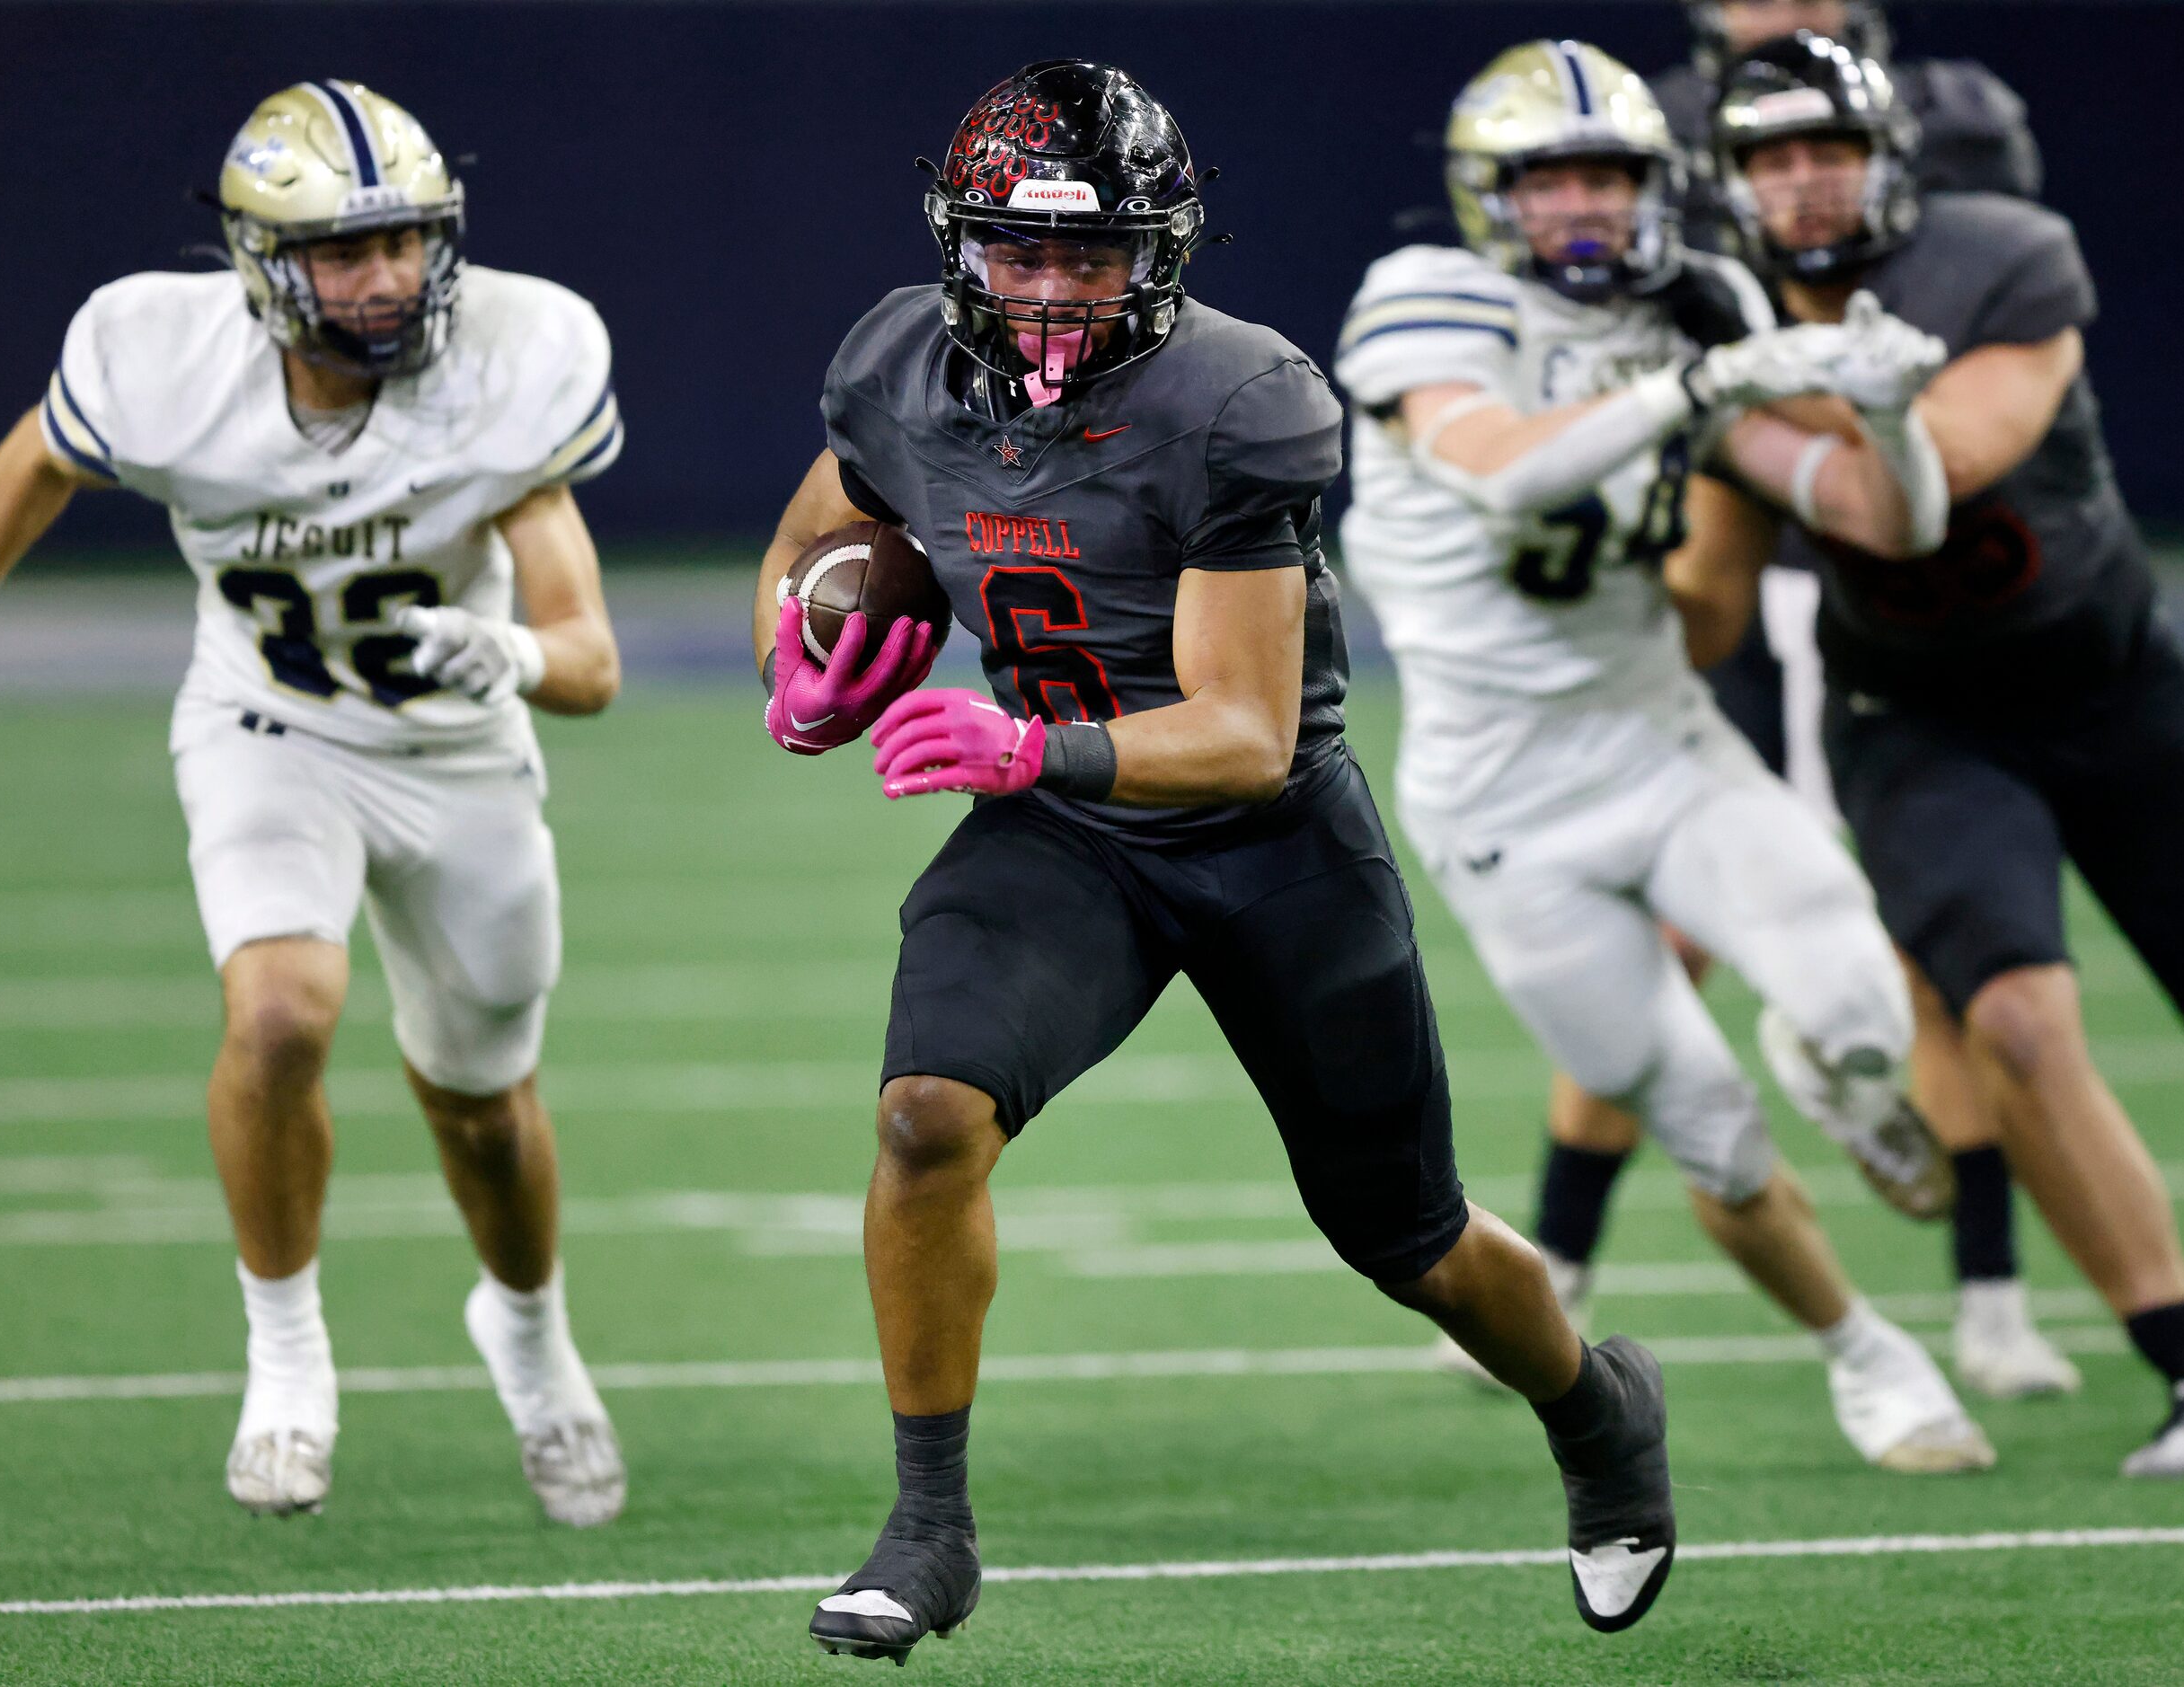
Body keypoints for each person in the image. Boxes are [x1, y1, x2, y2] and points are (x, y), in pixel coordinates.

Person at [750, 61, 1677, 1663]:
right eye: (1018, 254)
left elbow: (1243, 730)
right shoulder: (898, 359)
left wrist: (1024, 743)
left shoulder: (1238, 397)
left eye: (1090, 257)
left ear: (1157, 256)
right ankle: (929, 1525)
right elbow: (826, 528)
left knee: (1412, 1241)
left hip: (1262, 838)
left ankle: (1599, 1417)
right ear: (960, 246)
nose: (1048, 290)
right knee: (923, 1117)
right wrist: (810, 653)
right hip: (1062, 833)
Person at [1667, 31, 2184, 1477]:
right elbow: (1714, 584)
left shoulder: (1998, 256)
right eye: (1769, 157)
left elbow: (1921, 487)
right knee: (2012, 1019)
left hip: (2104, 675)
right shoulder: (1715, 325)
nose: (1803, 184)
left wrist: (1759, 397)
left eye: (1829, 149)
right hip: (1911, 711)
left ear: (1892, 159)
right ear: (1728, 182)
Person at [0, 81, 629, 1525]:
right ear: (261, 263)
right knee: (280, 1011)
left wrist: (515, 651)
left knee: (481, 1106)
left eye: (408, 242)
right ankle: (286, 1360)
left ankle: (529, 1339)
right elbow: (41, 454)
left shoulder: (512, 361)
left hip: (459, 748)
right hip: (267, 724)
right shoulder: (163, 356)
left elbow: (589, 663)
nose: (389, 278)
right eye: (347, 253)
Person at [1334, 37, 1987, 1475]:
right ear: (1487, 194)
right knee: (1704, 1126)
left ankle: (1843, 1066)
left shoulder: (1695, 301)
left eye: (1610, 175)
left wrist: (1883, 411)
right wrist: (1710, 383)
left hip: (1659, 739)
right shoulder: (1423, 297)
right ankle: (1863, 1351)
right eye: (1549, 177)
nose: (1583, 205)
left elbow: (1892, 520)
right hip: (1502, 805)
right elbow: (1501, 461)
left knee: (1862, 1002)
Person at [1533, 0, 2071, 1399]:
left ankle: (1994, 1301)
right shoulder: (1638, 131)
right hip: (1730, 561)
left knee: (1920, 941)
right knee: (1651, 934)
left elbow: (1949, 326)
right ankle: (1553, 1267)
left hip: (1875, 584)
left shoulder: (1950, 119)